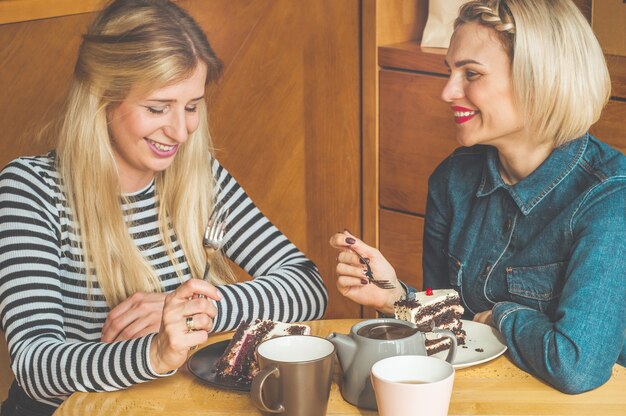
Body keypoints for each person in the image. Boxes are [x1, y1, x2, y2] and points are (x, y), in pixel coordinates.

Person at [0, 1, 328, 414]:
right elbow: (34, 365)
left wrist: (200, 311)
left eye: (191, 106)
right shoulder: (31, 189)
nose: (180, 131)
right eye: (158, 108)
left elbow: (308, 287)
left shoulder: (200, 175)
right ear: (102, 98)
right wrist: (154, 353)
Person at [331, 0, 625, 394]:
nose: (448, 92)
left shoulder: (609, 196)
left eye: (471, 73)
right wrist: (397, 297)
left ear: (539, 78)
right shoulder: (453, 178)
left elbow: (576, 366)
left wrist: (499, 317)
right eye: (449, 72)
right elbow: (453, 327)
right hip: (478, 396)